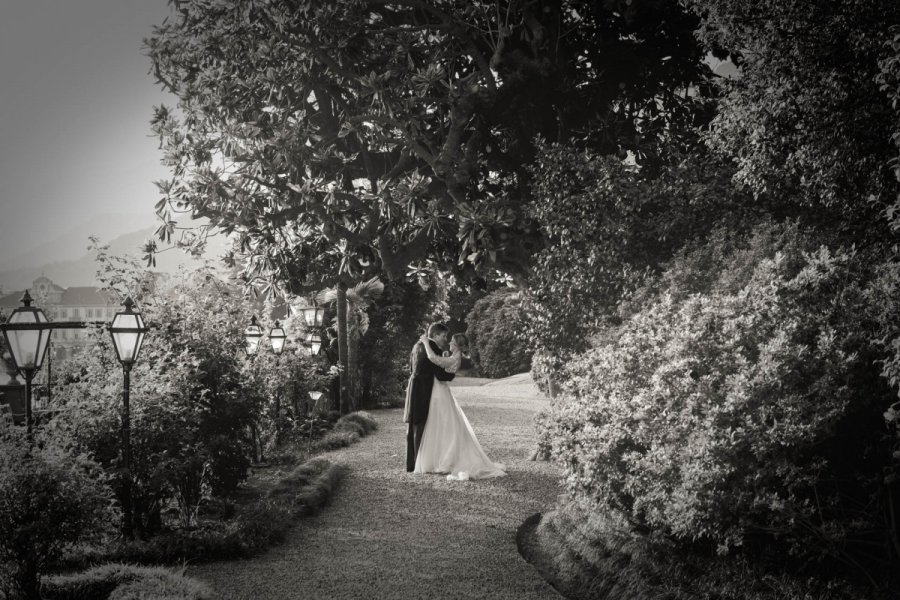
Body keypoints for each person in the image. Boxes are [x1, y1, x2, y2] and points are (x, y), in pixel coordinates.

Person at [414, 332, 506, 480]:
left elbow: (432, 358)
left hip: (440, 394)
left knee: (444, 426)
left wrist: (425, 342)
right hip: (440, 392)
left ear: (457, 345)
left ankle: (446, 461)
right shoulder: (453, 357)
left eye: (451, 341)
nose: (449, 342)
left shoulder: (454, 358)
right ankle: (442, 458)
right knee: (443, 426)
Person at [404, 323, 456, 472]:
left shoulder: (416, 345)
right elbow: (440, 374)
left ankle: (411, 464)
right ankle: (421, 463)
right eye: (444, 336)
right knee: (421, 424)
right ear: (435, 335)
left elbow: (410, 368)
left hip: (413, 387)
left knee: (412, 425)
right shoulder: (432, 347)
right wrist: (453, 372)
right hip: (424, 389)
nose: (445, 339)